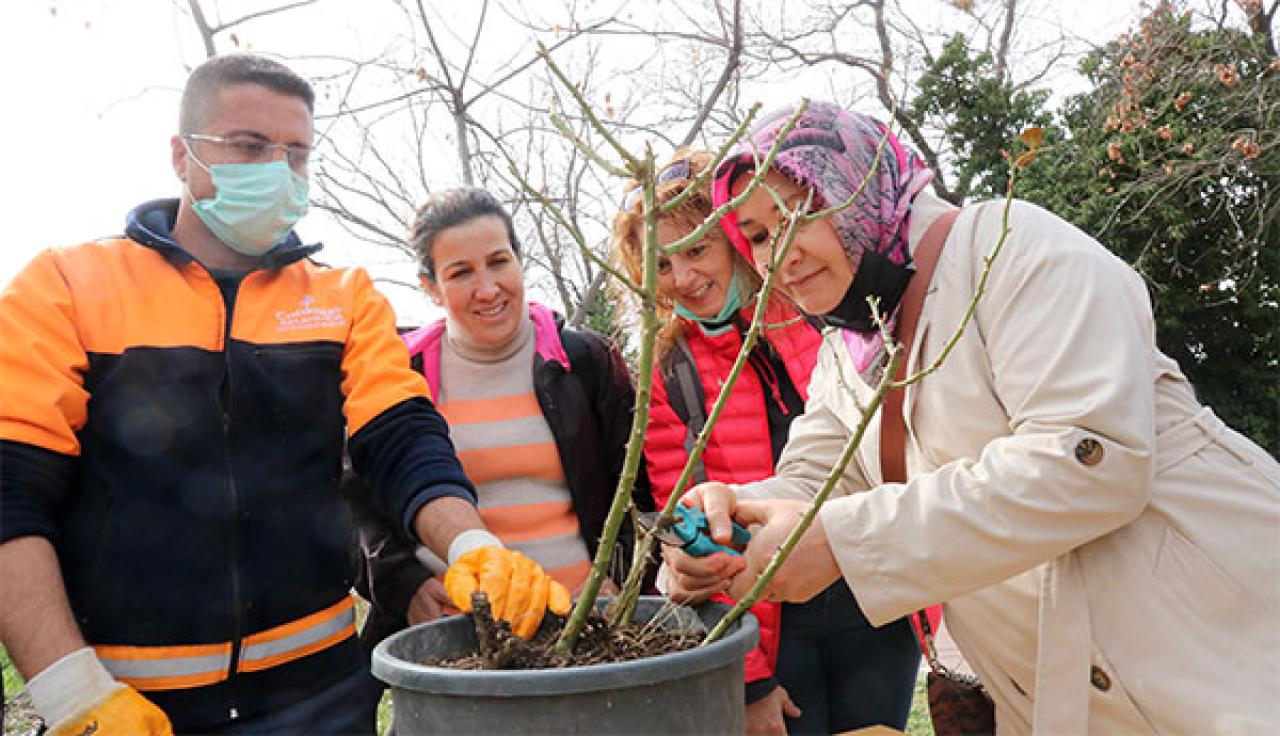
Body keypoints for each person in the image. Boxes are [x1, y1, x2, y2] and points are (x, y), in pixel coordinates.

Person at [664, 100, 1280, 733]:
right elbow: (815, 481)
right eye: (760, 235)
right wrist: (728, 520)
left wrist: (845, 542)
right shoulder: (847, 356)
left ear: (862, 187)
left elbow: (1091, 459)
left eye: (804, 210)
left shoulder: (1009, 247)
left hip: (1221, 661)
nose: (780, 254)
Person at [0, 54, 564, 736]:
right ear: (182, 156)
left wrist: (471, 543)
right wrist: (70, 689)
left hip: (320, 697)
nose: (278, 168)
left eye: (296, 153)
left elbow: (401, 437)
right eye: (249, 146)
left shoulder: (341, 296)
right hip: (132, 702)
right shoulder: (66, 287)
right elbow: (12, 490)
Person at [610, 149, 921, 735]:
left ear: (733, 238)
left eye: (697, 249)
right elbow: (688, 526)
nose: (684, 278)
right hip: (768, 621)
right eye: (663, 264)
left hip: (868, 589)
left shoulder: (819, 314)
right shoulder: (666, 370)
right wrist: (746, 676)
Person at [351, 187, 655, 652]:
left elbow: (637, 489)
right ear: (430, 286)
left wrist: (618, 584)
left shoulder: (585, 360)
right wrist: (404, 583)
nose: (488, 289)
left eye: (498, 261)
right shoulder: (397, 374)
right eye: (460, 273)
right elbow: (354, 507)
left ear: (519, 259)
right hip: (458, 640)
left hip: (585, 626)